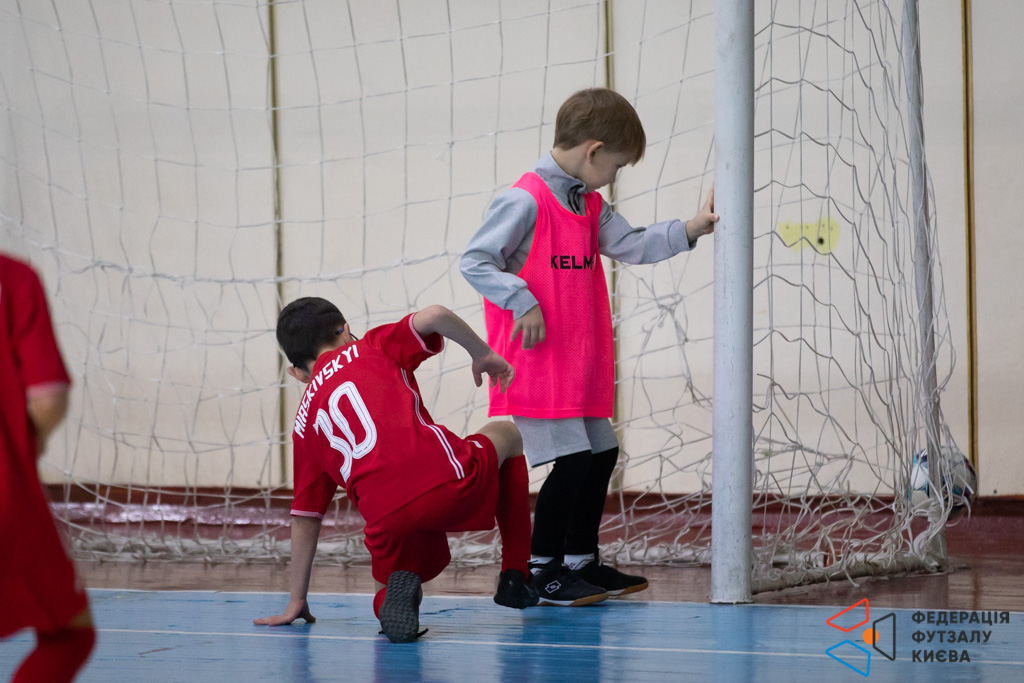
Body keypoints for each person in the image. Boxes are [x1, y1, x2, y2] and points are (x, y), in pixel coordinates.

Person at [460, 87, 719, 606]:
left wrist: (692, 228)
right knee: (574, 460)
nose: (615, 176)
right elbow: (476, 261)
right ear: (593, 151)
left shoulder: (588, 203)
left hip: (576, 366)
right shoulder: (525, 199)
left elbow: (634, 244)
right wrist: (522, 300)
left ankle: (580, 560)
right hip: (535, 367)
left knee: (601, 453)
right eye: (617, 166)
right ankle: (542, 569)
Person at [255, 298, 542, 643]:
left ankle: (388, 601)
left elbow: (305, 517)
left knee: (391, 579)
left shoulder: (304, 426)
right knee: (507, 432)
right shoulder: (371, 345)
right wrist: (482, 354)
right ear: (346, 331)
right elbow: (435, 315)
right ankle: (516, 573)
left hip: (387, 519)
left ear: (297, 374)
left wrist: (296, 600)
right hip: (446, 481)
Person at [0, 253, 96, 681]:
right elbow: (48, 396)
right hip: (6, 493)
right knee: (69, 634)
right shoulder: (12, 278)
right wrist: (22, 446)